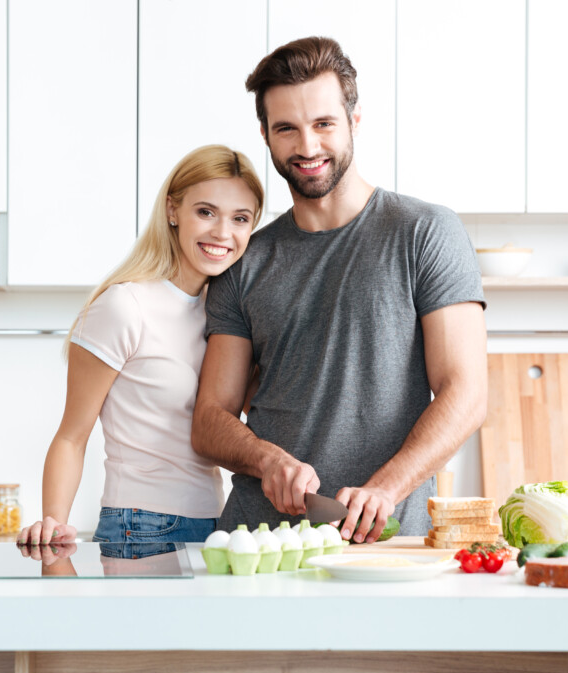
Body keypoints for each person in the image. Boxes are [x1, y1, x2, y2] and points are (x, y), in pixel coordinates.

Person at [191, 37, 488, 543]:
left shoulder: (424, 232)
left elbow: (467, 392)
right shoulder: (245, 262)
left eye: (323, 124)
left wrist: (385, 490)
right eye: (287, 128)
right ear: (265, 136)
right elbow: (210, 420)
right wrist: (266, 460)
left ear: (353, 121)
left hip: (387, 542)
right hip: (259, 546)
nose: (307, 147)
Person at [17, 145, 264, 552]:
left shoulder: (227, 321)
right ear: (172, 210)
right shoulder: (125, 306)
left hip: (219, 525)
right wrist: (53, 524)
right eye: (206, 212)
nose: (223, 233)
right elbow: (71, 437)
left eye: (240, 219)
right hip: (140, 526)